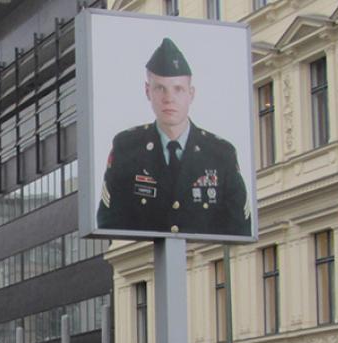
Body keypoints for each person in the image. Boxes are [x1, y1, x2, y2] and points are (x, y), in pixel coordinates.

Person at [96, 37, 248, 237]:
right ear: (147, 91)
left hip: (203, 259)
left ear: (191, 94)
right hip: (146, 262)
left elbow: (239, 225)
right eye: (160, 88)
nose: (169, 98)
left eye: (178, 89)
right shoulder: (127, 148)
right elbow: (109, 220)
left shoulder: (220, 153)